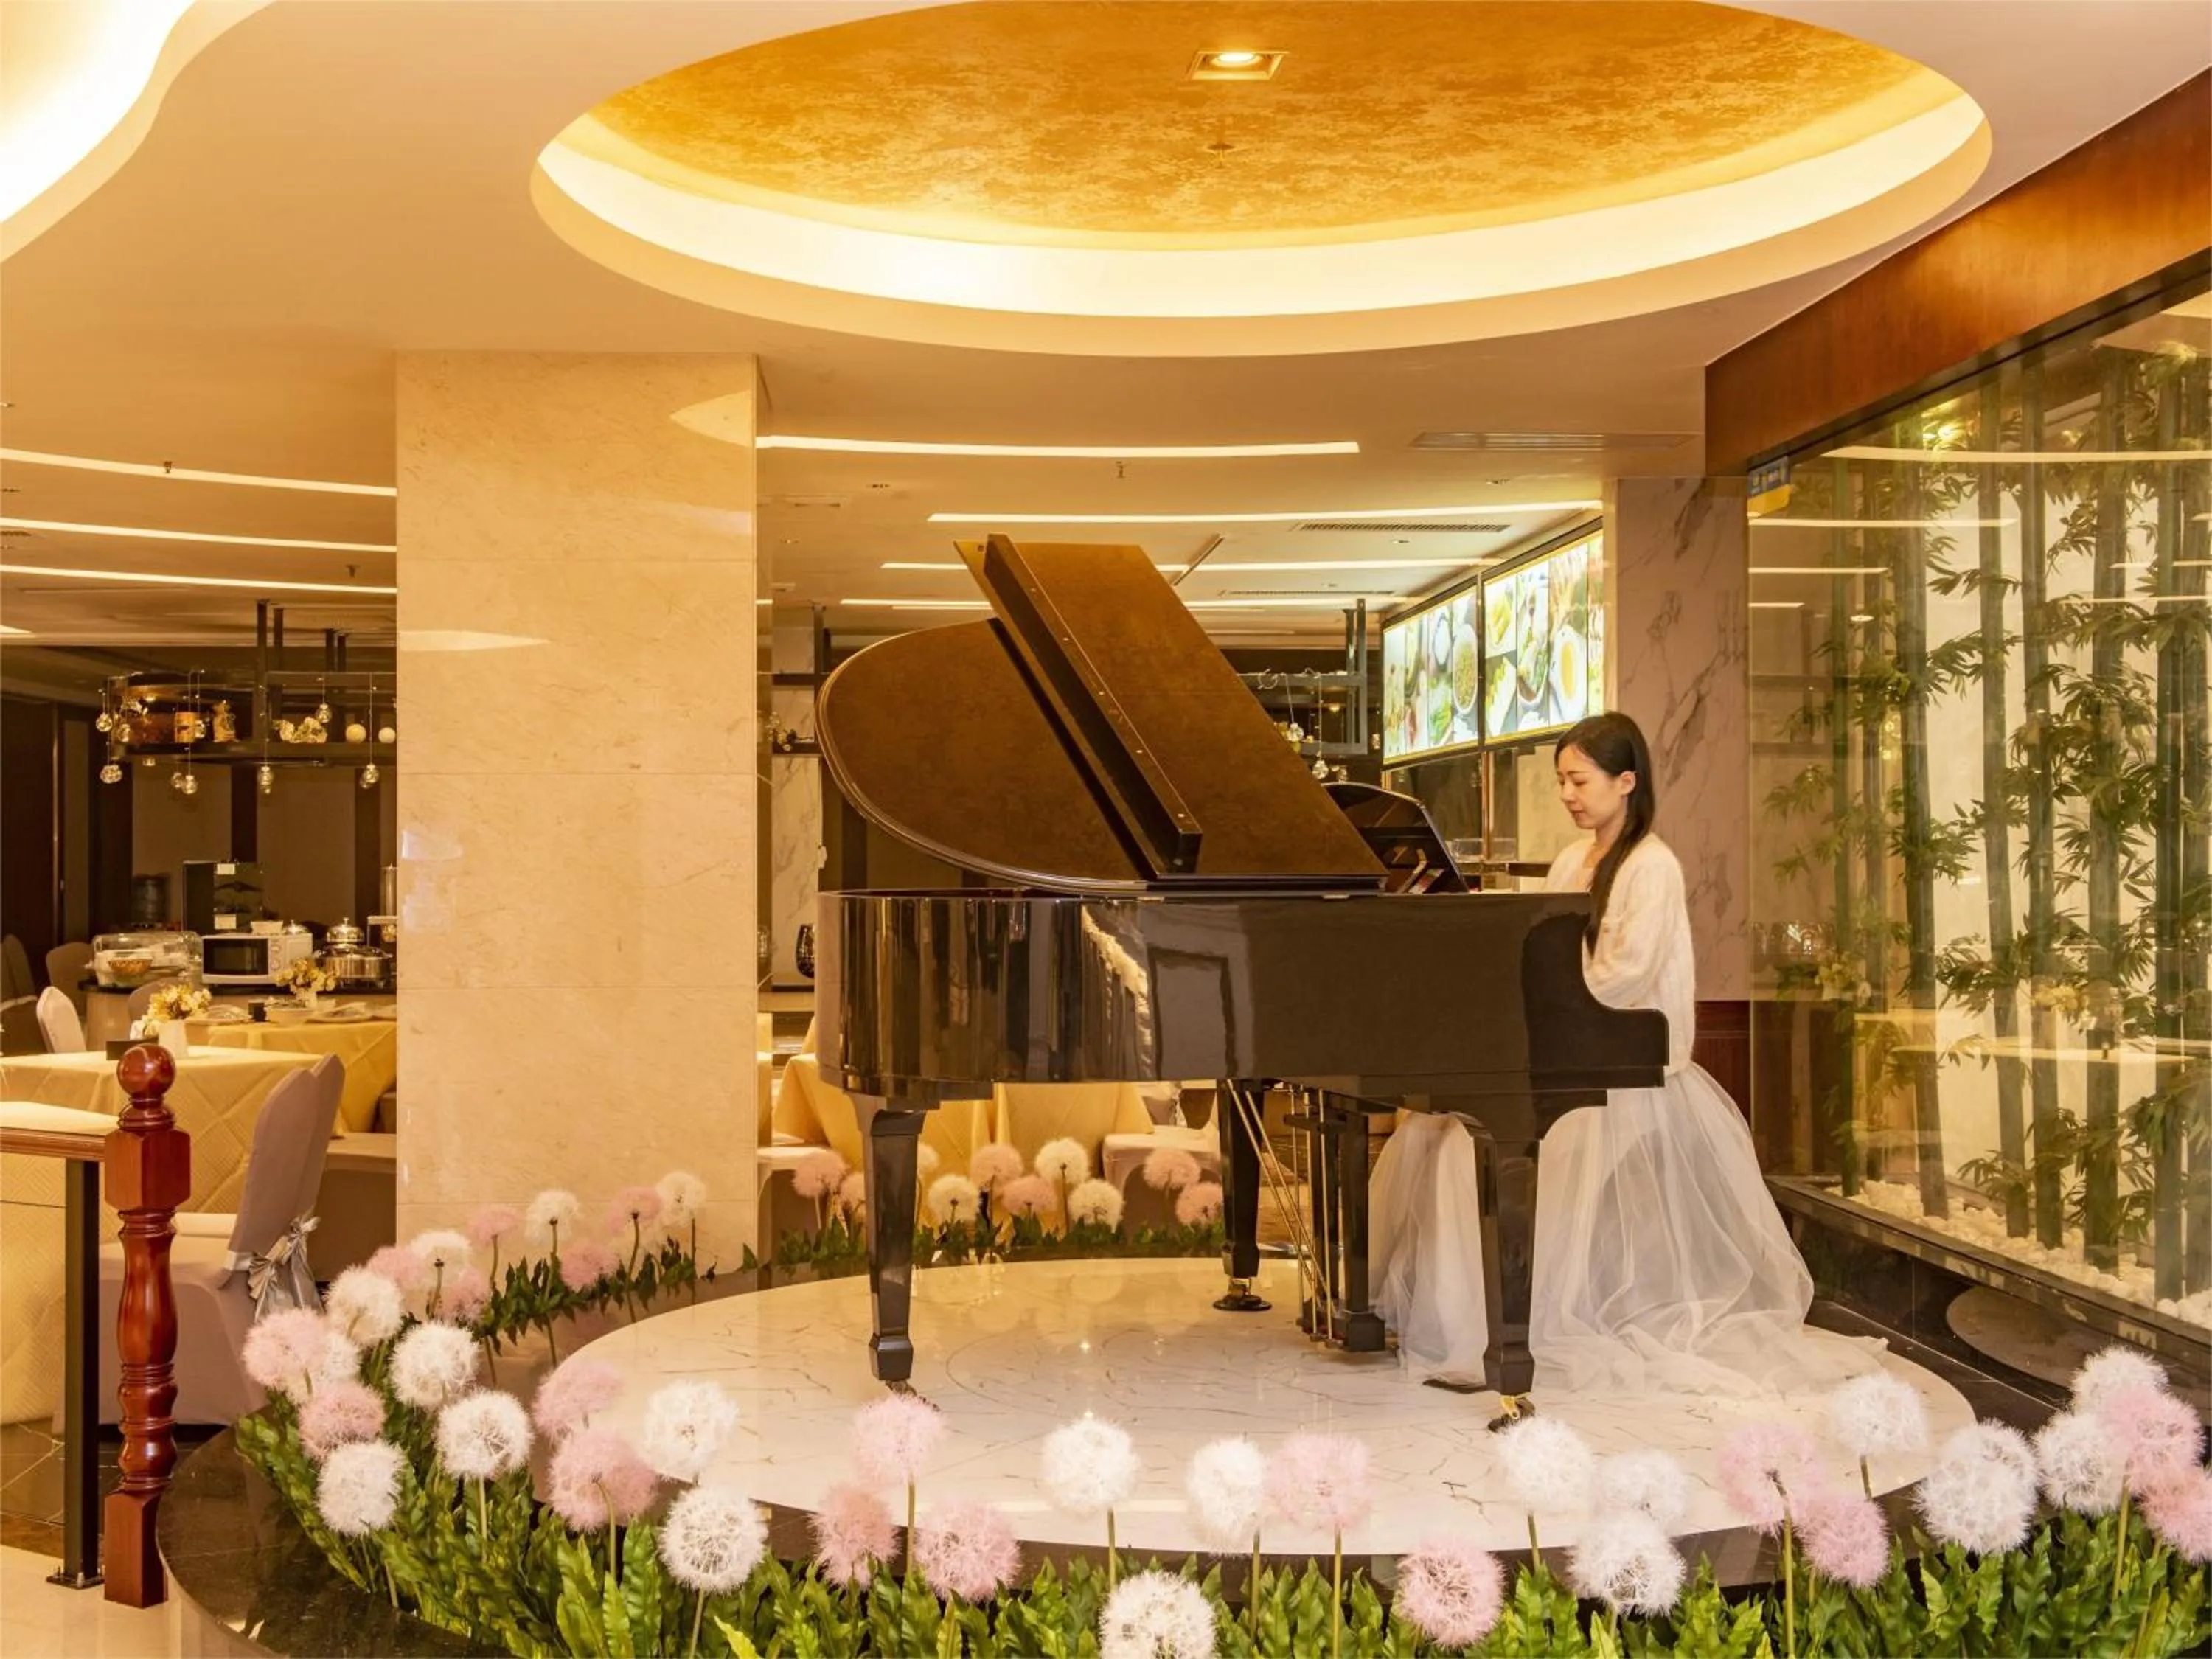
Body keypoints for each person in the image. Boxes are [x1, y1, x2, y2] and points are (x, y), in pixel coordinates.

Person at [1368, 712, 1881, 1397]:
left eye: (1579, 780)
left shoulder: (1652, 866)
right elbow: (1543, 952)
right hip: (1569, 1051)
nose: (1568, 795)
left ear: (1627, 781)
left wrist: (1540, 1012)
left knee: (1476, 1158)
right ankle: (1470, 1325)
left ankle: (1506, 1333)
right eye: (1562, 781)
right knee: (1439, 1135)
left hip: (1621, 1067)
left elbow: (1625, 974)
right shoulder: (1571, 860)